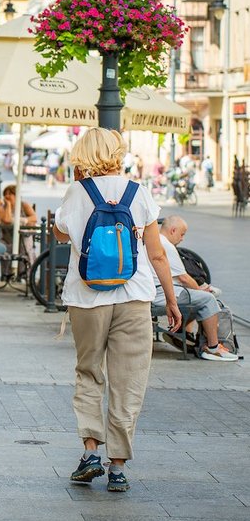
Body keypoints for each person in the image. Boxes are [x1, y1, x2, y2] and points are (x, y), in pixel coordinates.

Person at [53, 127, 182, 493]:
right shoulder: (138, 192)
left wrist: (78, 187)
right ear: (117, 152)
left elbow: (61, 234)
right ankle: (119, 466)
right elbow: (157, 253)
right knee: (129, 380)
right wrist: (170, 300)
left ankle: (91, 452)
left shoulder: (76, 192)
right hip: (133, 297)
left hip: (87, 299)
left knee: (89, 372)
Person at [152, 215, 237, 361]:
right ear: (173, 230)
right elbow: (183, 278)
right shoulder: (166, 245)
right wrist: (201, 290)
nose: (182, 238)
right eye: (182, 234)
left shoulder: (154, 240)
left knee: (196, 297)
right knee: (208, 299)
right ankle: (212, 348)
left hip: (154, 292)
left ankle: (182, 332)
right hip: (161, 295)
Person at [0, 184, 38, 265]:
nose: (7, 196)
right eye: (5, 194)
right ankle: (6, 275)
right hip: (7, 239)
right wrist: (9, 206)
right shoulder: (3, 207)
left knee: (22, 247)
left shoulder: (24, 205)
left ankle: (23, 274)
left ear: (16, 195)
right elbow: (7, 220)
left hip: (22, 239)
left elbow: (34, 218)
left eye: (10, 194)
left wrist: (23, 220)